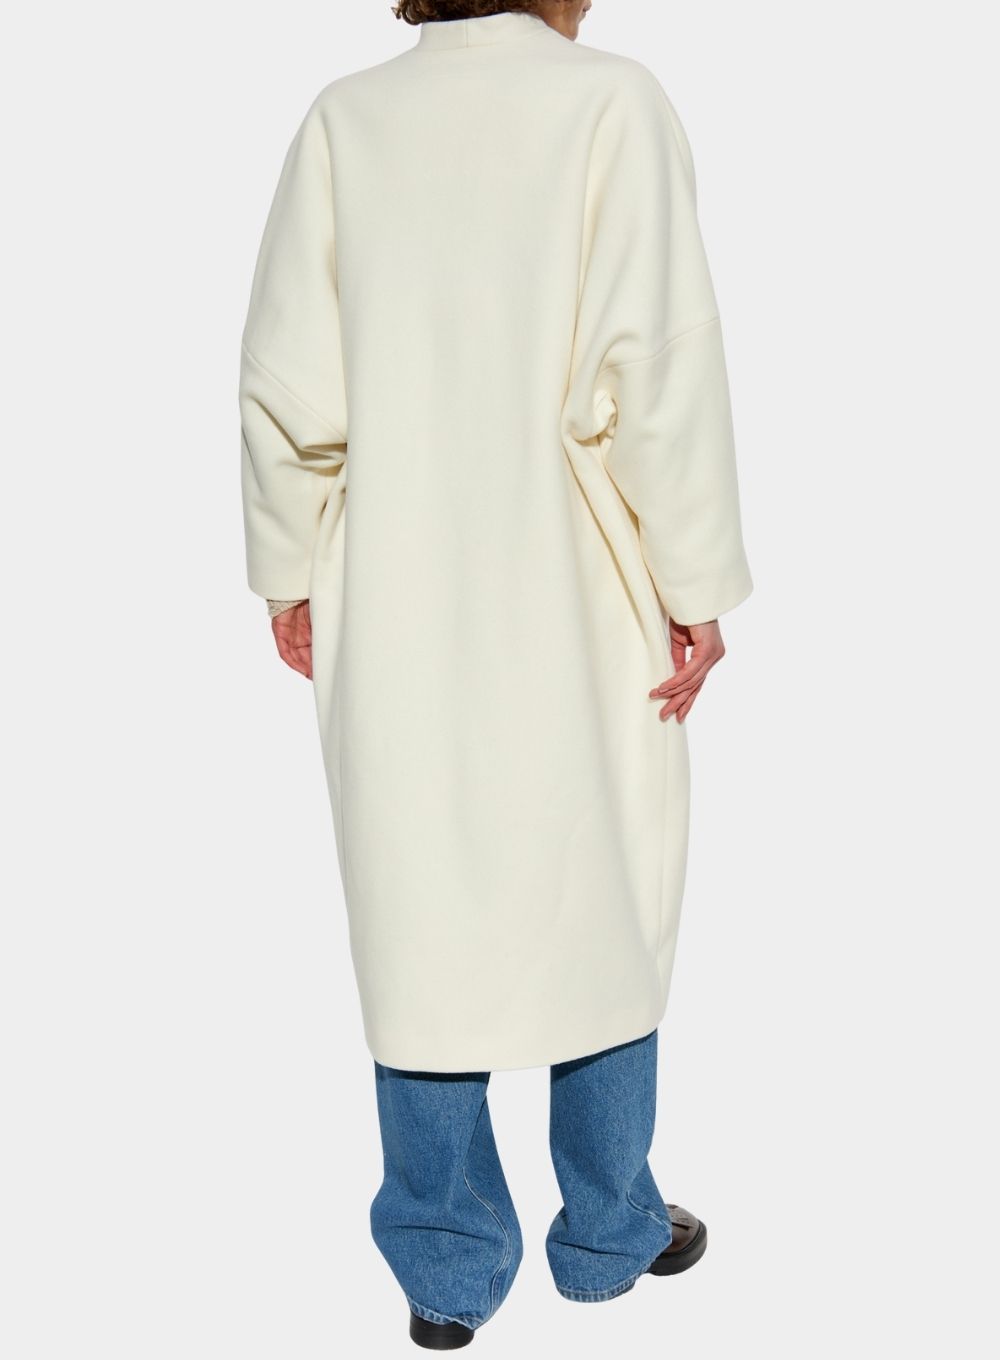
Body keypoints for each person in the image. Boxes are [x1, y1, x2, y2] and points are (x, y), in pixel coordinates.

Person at [239, 0, 752, 1348]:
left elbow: (288, 384)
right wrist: (696, 584)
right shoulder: (610, 100)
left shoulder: (347, 118)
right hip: (579, 579)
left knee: (420, 914)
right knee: (606, 896)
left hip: (395, 588)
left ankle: (446, 1265)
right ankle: (610, 1228)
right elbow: (658, 372)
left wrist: (289, 571)